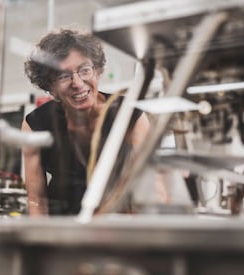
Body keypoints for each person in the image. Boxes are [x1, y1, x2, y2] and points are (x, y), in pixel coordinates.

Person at [22, 28, 150, 216]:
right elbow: (36, 200)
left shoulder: (129, 114)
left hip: (120, 227)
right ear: (51, 88)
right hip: (63, 232)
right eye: (63, 76)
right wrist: (44, 241)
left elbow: (149, 185)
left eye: (84, 70)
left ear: (97, 72)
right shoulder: (35, 125)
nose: (77, 82)